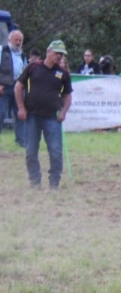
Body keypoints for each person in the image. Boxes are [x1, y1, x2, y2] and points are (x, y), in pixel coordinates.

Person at [14, 40, 73, 189]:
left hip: (52, 117)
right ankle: (35, 182)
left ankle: (54, 183)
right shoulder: (33, 67)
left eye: (61, 54)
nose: (59, 56)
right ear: (48, 51)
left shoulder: (63, 73)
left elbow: (67, 95)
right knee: (31, 151)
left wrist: (64, 112)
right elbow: (18, 87)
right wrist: (21, 108)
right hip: (32, 116)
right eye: (57, 53)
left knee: (55, 151)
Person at [1, 29, 28, 148]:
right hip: (3, 87)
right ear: (9, 40)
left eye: (20, 40)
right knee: (1, 113)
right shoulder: (2, 50)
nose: (18, 42)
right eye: (16, 40)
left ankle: (21, 140)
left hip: (18, 87)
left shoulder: (23, 55)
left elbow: (26, 72)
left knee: (20, 113)